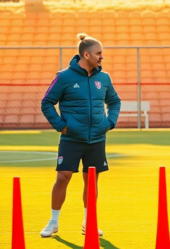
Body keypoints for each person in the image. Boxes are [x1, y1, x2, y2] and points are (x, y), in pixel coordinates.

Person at [39, 33, 121, 238]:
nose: (102, 57)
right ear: (86, 54)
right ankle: (53, 222)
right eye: (98, 53)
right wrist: (61, 126)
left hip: (97, 139)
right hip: (71, 139)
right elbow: (47, 102)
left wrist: (109, 122)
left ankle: (89, 222)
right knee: (63, 177)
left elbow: (114, 101)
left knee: (91, 181)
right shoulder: (64, 77)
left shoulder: (104, 78)